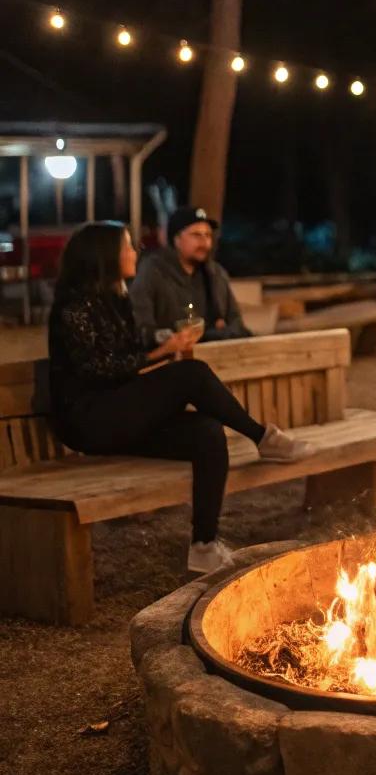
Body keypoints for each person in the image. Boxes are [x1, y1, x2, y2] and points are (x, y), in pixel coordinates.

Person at [48, 222, 313, 574]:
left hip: (120, 413)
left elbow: (127, 351)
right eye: (128, 246)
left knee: (207, 431)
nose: (134, 252)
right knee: (191, 374)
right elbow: (98, 369)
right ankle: (262, 437)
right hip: (90, 421)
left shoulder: (116, 298)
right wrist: (163, 353)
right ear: (104, 256)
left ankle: (204, 544)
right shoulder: (73, 308)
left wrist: (164, 340)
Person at [131, 206, 251, 349]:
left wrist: (207, 335)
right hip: (170, 360)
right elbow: (142, 329)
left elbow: (237, 324)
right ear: (176, 239)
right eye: (196, 235)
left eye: (207, 235)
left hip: (215, 354)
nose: (204, 242)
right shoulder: (152, 271)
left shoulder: (216, 274)